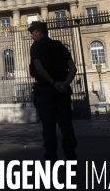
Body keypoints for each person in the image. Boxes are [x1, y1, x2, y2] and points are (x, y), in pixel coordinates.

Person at [29, 21, 78, 161]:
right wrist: (64, 84)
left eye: (33, 34)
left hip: (46, 90)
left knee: (49, 126)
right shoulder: (60, 46)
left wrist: (53, 83)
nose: (32, 37)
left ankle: (51, 158)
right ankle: (71, 159)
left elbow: (38, 68)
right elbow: (73, 69)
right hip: (63, 90)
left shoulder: (37, 47)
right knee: (66, 125)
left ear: (38, 33)